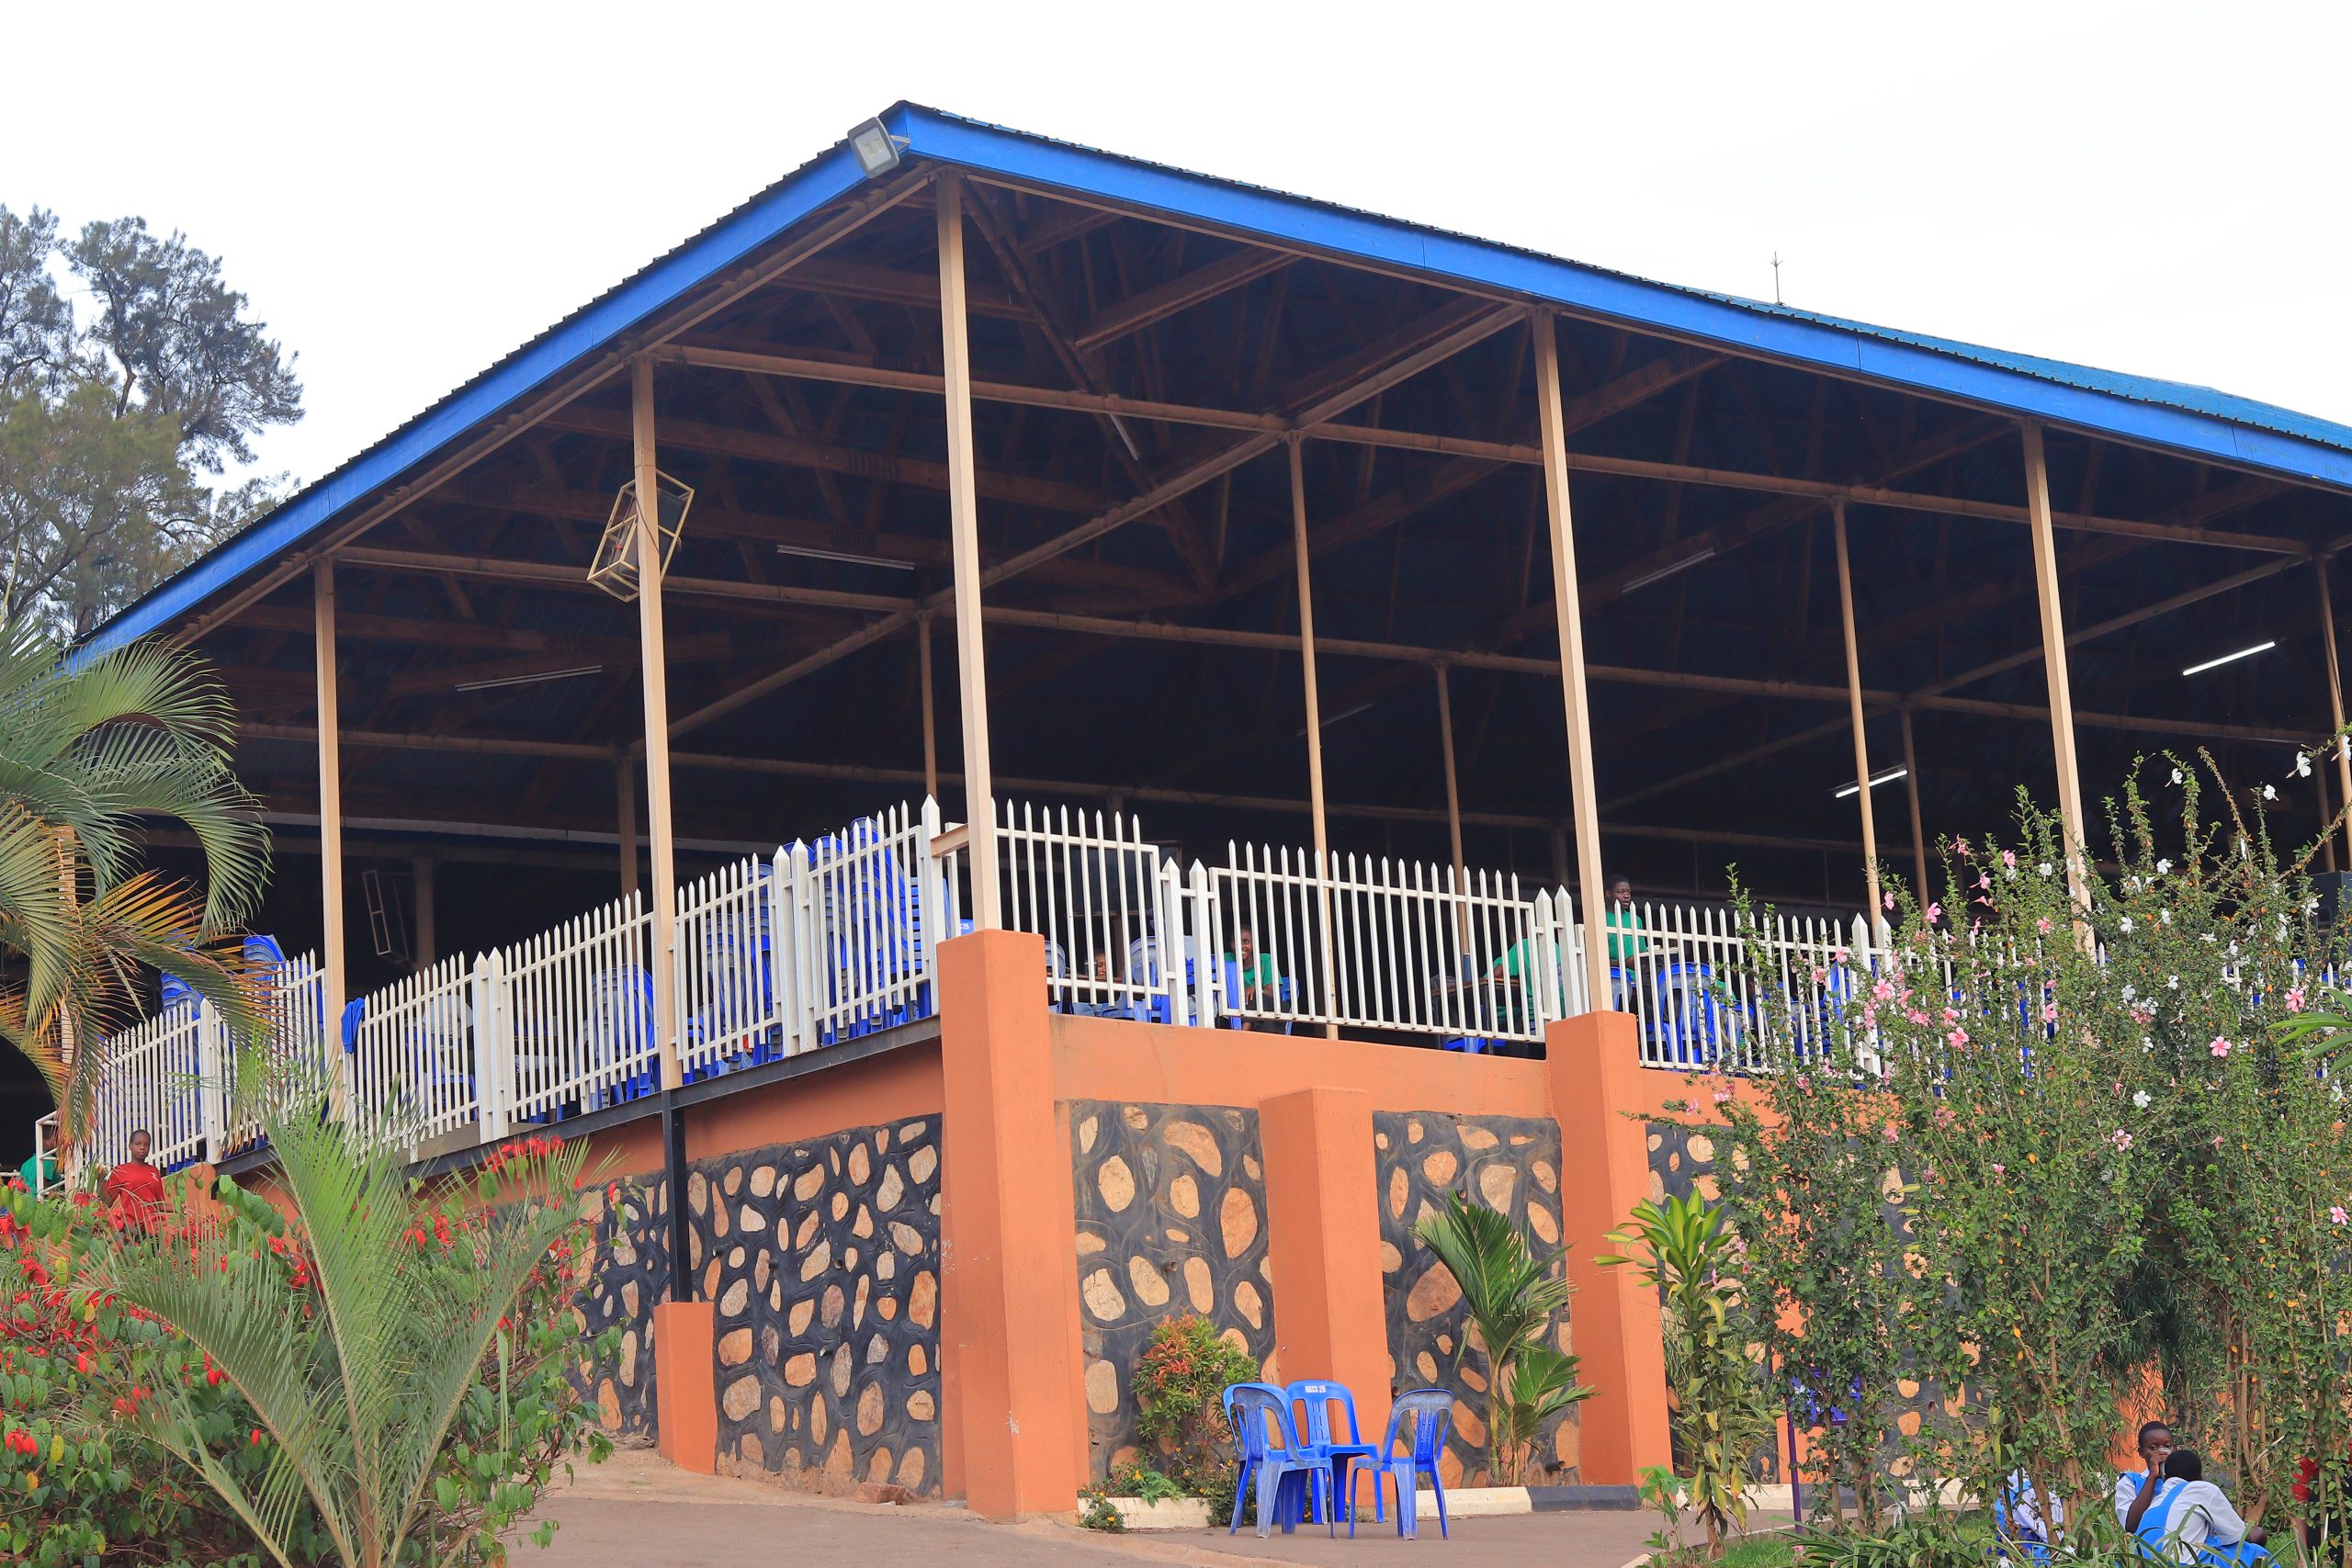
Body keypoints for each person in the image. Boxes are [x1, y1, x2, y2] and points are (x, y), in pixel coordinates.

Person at [2131, 1450, 2268, 1564]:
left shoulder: (2157, 1500)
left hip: (2144, 1563)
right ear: (2200, 1476)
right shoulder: (2203, 1489)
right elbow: (2238, 1536)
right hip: (2180, 1565)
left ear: (2165, 1477)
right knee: (2256, 1552)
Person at [2120, 1420, 2177, 1532]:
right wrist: (2152, 1476)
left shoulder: (2183, 1478)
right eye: (2153, 1448)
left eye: (2167, 1446)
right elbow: (2131, 1526)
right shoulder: (2130, 1482)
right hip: (2149, 1546)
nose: (2161, 1452)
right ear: (2141, 1452)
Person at [101, 1128, 167, 1224]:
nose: (142, 1147)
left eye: (146, 1145)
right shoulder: (120, 1171)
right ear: (130, 1146)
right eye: (138, 1144)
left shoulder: (154, 1171)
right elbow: (107, 1203)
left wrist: (179, 1209)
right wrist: (100, 1180)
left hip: (153, 1227)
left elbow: (159, 1205)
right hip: (130, 1228)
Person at [1224, 927, 1281, 1030]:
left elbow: (1272, 993)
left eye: (1246, 942)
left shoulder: (1266, 960)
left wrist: (1255, 990)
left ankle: (1243, 1032)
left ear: (1253, 944)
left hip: (1265, 1010)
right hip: (1237, 1008)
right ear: (1231, 944)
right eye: (1236, 942)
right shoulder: (1225, 959)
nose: (1241, 946)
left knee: (1256, 997)